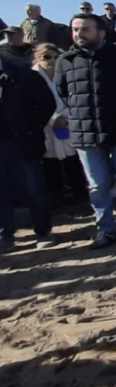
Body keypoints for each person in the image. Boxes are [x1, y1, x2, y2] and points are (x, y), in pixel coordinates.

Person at [56, 14, 116, 248]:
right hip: (86, 134)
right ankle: (105, 230)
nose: (79, 34)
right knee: (97, 185)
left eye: (85, 29)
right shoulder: (65, 60)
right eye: (76, 29)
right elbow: (64, 93)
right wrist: (82, 117)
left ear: (101, 33)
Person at [0, 46, 57, 252]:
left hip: (24, 142)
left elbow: (46, 104)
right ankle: (5, 235)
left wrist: (31, 127)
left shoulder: (23, 75)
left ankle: (43, 231)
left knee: (34, 189)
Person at [32, 44, 88, 204]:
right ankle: (56, 196)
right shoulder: (32, 77)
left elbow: (74, 96)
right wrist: (53, 119)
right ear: (38, 58)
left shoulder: (66, 74)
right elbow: (32, 104)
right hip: (46, 126)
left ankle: (79, 192)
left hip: (68, 121)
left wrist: (66, 117)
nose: (52, 60)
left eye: (56, 56)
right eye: (47, 57)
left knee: (73, 157)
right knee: (51, 162)